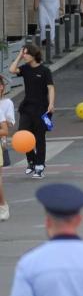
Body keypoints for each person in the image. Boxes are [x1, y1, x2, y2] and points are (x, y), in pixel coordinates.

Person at [9, 43, 54, 179]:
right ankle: (32, 161)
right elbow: (12, 70)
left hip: (42, 108)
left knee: (40, 137)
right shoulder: (25, 69)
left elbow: (51, 88)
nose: (24, 56)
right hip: (27, 107)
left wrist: (51, 104)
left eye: (26, 53)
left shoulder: (45, 71)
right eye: (23, 53)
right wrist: (19, 56)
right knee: (23, 134)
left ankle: (40, 165)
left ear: (34, 55)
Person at [0, 76, 13, 220]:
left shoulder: (7, 103)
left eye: (1, 85)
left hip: (1, 143)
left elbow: (7, 126)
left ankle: (3, 205)